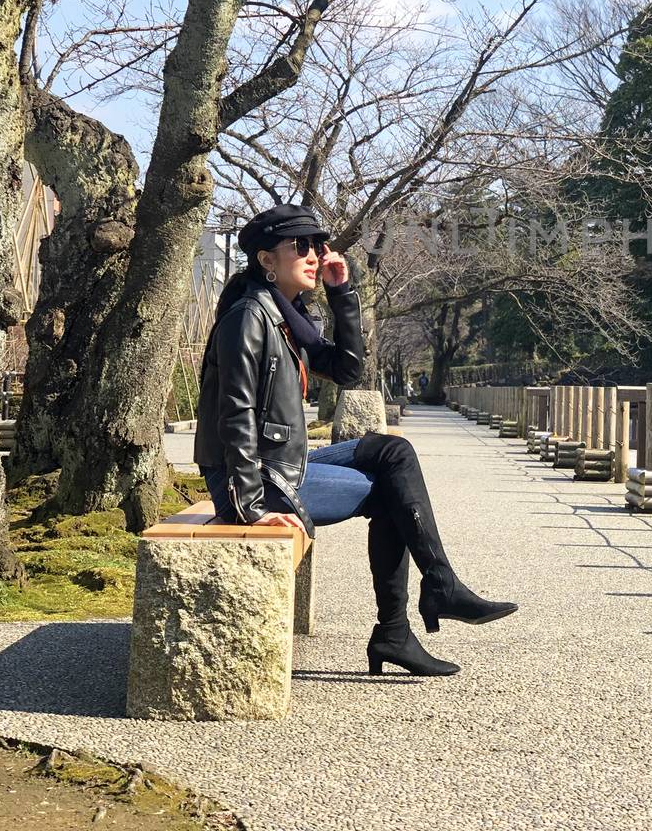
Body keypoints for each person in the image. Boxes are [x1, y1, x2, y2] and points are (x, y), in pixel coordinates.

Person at [195, 203, 516, 677]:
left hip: (283, 466)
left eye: (316, 245)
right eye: (299, 246)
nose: (312, 255)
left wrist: (342, 292)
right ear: (266, 260)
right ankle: (400, 627)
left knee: (393, 452)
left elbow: (347, 369)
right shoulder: (249, 318)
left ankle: (429, 596)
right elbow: (233, 415)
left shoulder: (284, 317)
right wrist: (252, 507)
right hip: (254, 482)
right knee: (392, 488)